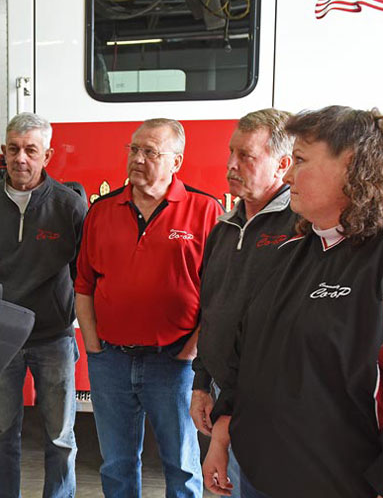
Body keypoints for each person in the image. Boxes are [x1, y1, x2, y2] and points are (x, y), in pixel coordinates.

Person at [203, 106, 383, 498]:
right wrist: (223, 429)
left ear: (352, 165)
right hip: (260, 477)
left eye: (299, 160)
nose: (286, 175)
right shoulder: (296, 249)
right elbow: (253, 353)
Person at [75, 119, 221, 497]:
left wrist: (190, 352)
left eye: (150, 152)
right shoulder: (101, 211)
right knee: (117, 464)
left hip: (173, 363)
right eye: (133, 150)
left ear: (177, 161)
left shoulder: (205, 211)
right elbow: (84, 285)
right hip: (111, 362)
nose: (138, 159)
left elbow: (218, 297)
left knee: (182, 466)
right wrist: (94, 349)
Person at [0, 113, 87, 498]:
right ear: (4, 151)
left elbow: (84, 275)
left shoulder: (69, 207)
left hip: (53, 337)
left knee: (60, 437)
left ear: (47, 155)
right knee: (2, 434)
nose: (21, 158)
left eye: (30, 150)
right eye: (14, 149)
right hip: (3, 340)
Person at [188, 109, 298, 496]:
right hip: (225, 395)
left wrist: (227, 415)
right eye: (231, 153)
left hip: (265, 407)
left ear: (283, 165)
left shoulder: (298, 231)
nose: (232, 165)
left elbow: (271, 337)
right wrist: (201, 382)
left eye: (247, 156)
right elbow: (211, 309)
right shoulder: (224, 227)